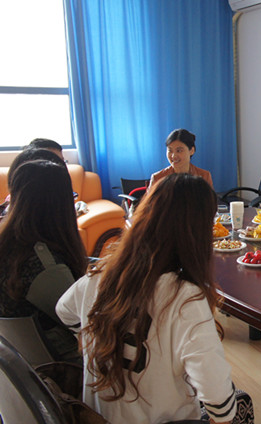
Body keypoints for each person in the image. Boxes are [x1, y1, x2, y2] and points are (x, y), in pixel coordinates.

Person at [56, 173, 237, 423]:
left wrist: (93, 338)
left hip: (96, 417)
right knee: (240, 402)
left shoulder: (101, 274)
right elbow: (220, 403)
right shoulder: (185, 298)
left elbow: (63, 311)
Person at [0, 160, 87, 361]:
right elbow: (83, 320)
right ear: (59, 204)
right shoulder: (43, 266)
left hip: (18, 361)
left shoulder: (10, 243)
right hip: (61, 367)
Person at [148, 128, 214, 190]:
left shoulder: (204, 176)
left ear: (192, 150)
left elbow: (209, 198)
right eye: (170, 150)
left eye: (179, 151)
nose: (173, 156)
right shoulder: (158, 178)